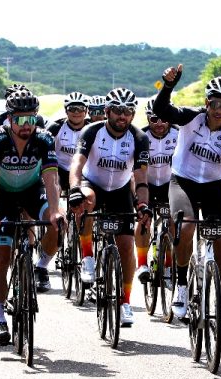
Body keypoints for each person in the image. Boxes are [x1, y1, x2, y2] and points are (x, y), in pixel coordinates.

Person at [153, 65, 221, 338]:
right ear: (206, 102)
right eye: (215, 103)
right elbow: (162, 110)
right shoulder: (191, 118)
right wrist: (168, 85)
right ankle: (182, 287)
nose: (219, 110)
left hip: (213, 188)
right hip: (182, 182)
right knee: (186, 227)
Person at [0, 90, 63, 344]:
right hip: (4, 195)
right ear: (9, 119)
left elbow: (51, 179)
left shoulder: (44, 139)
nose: (26, 125)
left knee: (58, 225)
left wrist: (56, 210)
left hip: (32, 190)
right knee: (1, 256)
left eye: (30, 119)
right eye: (19, 120)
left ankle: (40, 266)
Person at [68, 87, 152, 327]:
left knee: (126, 246)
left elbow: (142, 178)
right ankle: (87, 258)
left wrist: (143, 204)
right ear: (107, 111)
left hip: (120, 190)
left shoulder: (139, 138)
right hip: (91, 182)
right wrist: (74, 190)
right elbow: (77, 164)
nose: (122, 116)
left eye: (128, 111)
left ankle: (125, 302)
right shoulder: (91, 131)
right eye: (117, 111)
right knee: (86, 199)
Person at [38, 91, 91, 292]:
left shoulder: (91, 128)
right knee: (57, 202)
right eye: (72, 109)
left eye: (80, 109)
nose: (76, 113)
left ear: (86, 111)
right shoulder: (56, 127)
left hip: (82, 173)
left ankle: (82, 235)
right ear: (66, 110)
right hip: (58, 170)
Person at [134, 97, 179, 283]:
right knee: (144, 220)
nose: (159, 123)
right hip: (148, 185)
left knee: (174, 222)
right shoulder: (140, 136)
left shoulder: (179, 135)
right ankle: (142, 264)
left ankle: (168, 266)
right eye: (154, 119)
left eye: (163, 119)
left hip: (171, 185)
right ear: (147, 119)